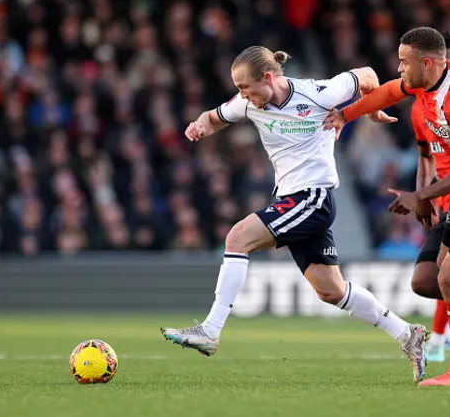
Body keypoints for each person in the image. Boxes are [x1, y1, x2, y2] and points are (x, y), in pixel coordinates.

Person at [160, 46, 429, 383]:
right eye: (238, 87)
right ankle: (408, 334)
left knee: (237, 238)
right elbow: (214, 117)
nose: (241, 94)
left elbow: (369, 76)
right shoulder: (247, 103)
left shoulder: (319, 93)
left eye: (244, 86)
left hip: (313, 196)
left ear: (268, 78)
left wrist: (369, 110)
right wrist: (199, 125)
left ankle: (210, 330)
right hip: (293, 198)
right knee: (331, 290)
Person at [324, 27, 450, 386]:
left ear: (428, 62)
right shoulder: (425, 82)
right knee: (441, 270)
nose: (398, 68)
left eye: (404, 62)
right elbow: (390, 90)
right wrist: (347, 114)